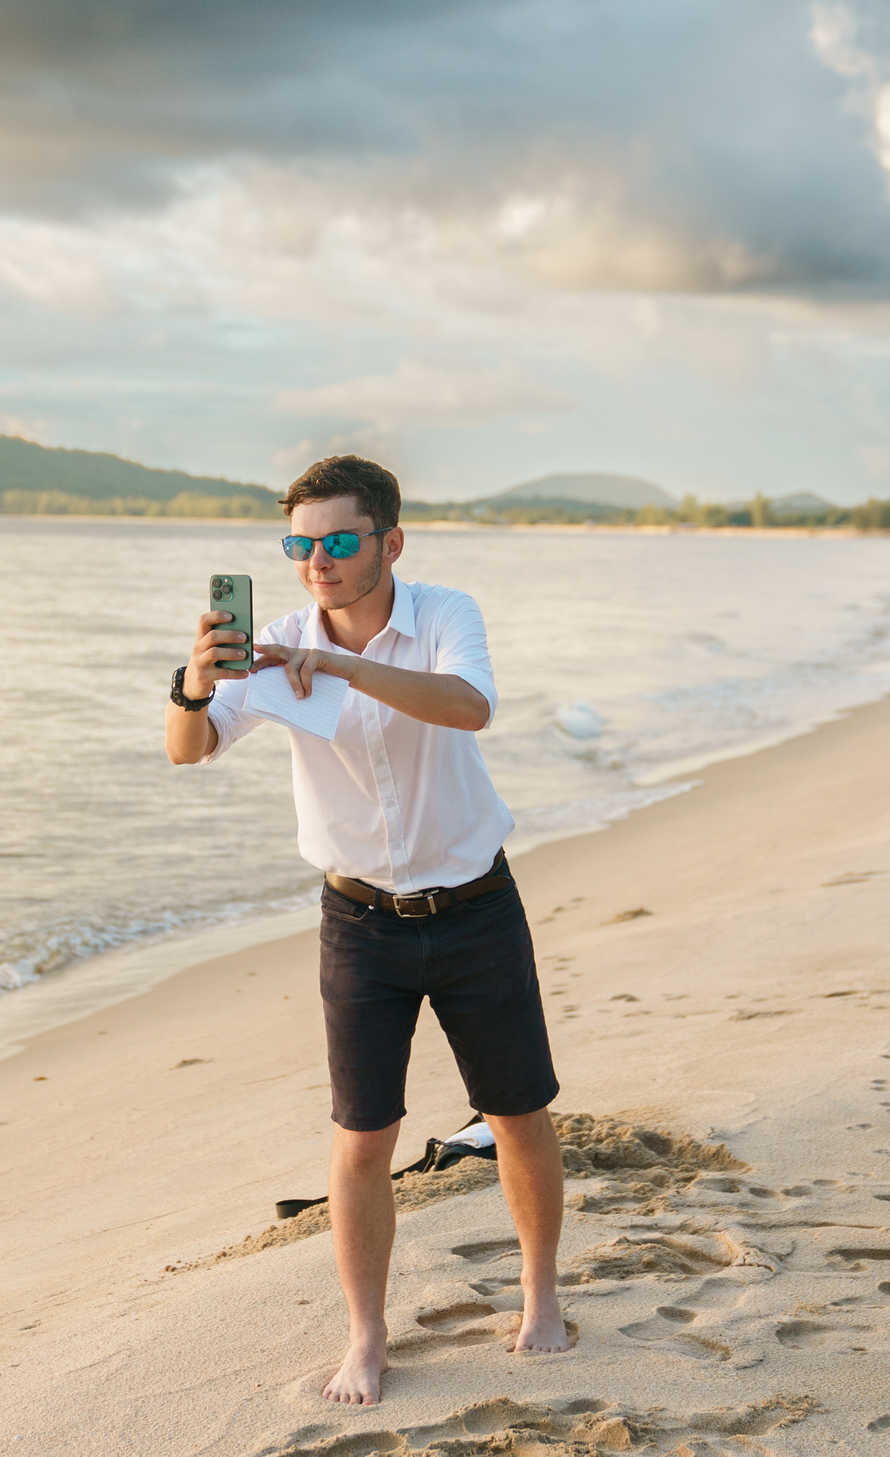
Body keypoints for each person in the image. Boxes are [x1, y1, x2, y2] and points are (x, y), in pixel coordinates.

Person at [164, 454, 566, 1406]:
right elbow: (191, 749)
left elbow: (470, 708)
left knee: (516, 1112)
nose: (317, 563)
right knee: (360, 1136)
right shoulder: (272, 646)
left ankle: (541, 1294)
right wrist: (191, 684)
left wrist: (344, 665)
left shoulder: (444, 615)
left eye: (337, 542)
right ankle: (367, 1336)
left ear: (391, 539)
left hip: (474, 905)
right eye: (299, 545)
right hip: (359, 924)